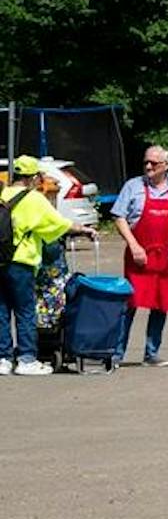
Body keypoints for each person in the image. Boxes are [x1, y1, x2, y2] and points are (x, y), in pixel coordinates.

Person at [111, 145, 168, 367]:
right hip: (139, 255)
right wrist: (134, 245)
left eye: (154, 163)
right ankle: (116, 354)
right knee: (129, 304)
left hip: (167, 257)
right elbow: (119, 217)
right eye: (146, 162)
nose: (148, 166)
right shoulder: (133, 187)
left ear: (166, 166)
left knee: (161, 305)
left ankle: (151, 353)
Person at [3, 155, 76, 375]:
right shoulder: (33, 199)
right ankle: (26, 359)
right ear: (33, 177)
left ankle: (3, 359)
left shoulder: (1, 193)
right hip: (21, 262)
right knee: (25, 311)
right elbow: (58, 224)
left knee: (1, 311)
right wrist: (85, 229)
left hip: (0, 260)